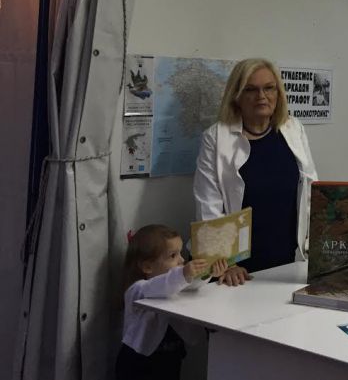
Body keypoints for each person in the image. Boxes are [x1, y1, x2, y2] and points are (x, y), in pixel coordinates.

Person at [194, 58, 318, 285]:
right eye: (250, 89)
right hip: (237, 272)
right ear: (236, 96)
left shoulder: (293, 129)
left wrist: (317, 249)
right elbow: (208, 206)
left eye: (269, 88)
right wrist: (226, 264)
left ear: (278, 93)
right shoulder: (216, 138)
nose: (262, 96)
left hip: (288, 262)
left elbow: (311, 192)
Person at [117, 224, 229, 380]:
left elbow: (191, 285)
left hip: (170, 358)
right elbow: (161, 285)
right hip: (138, 362)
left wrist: (209, 272)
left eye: (180, 253)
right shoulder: (137, 290)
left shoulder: (176, 285)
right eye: (173, 256)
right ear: (147, 266)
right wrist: (183, 274)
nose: (181, 260)